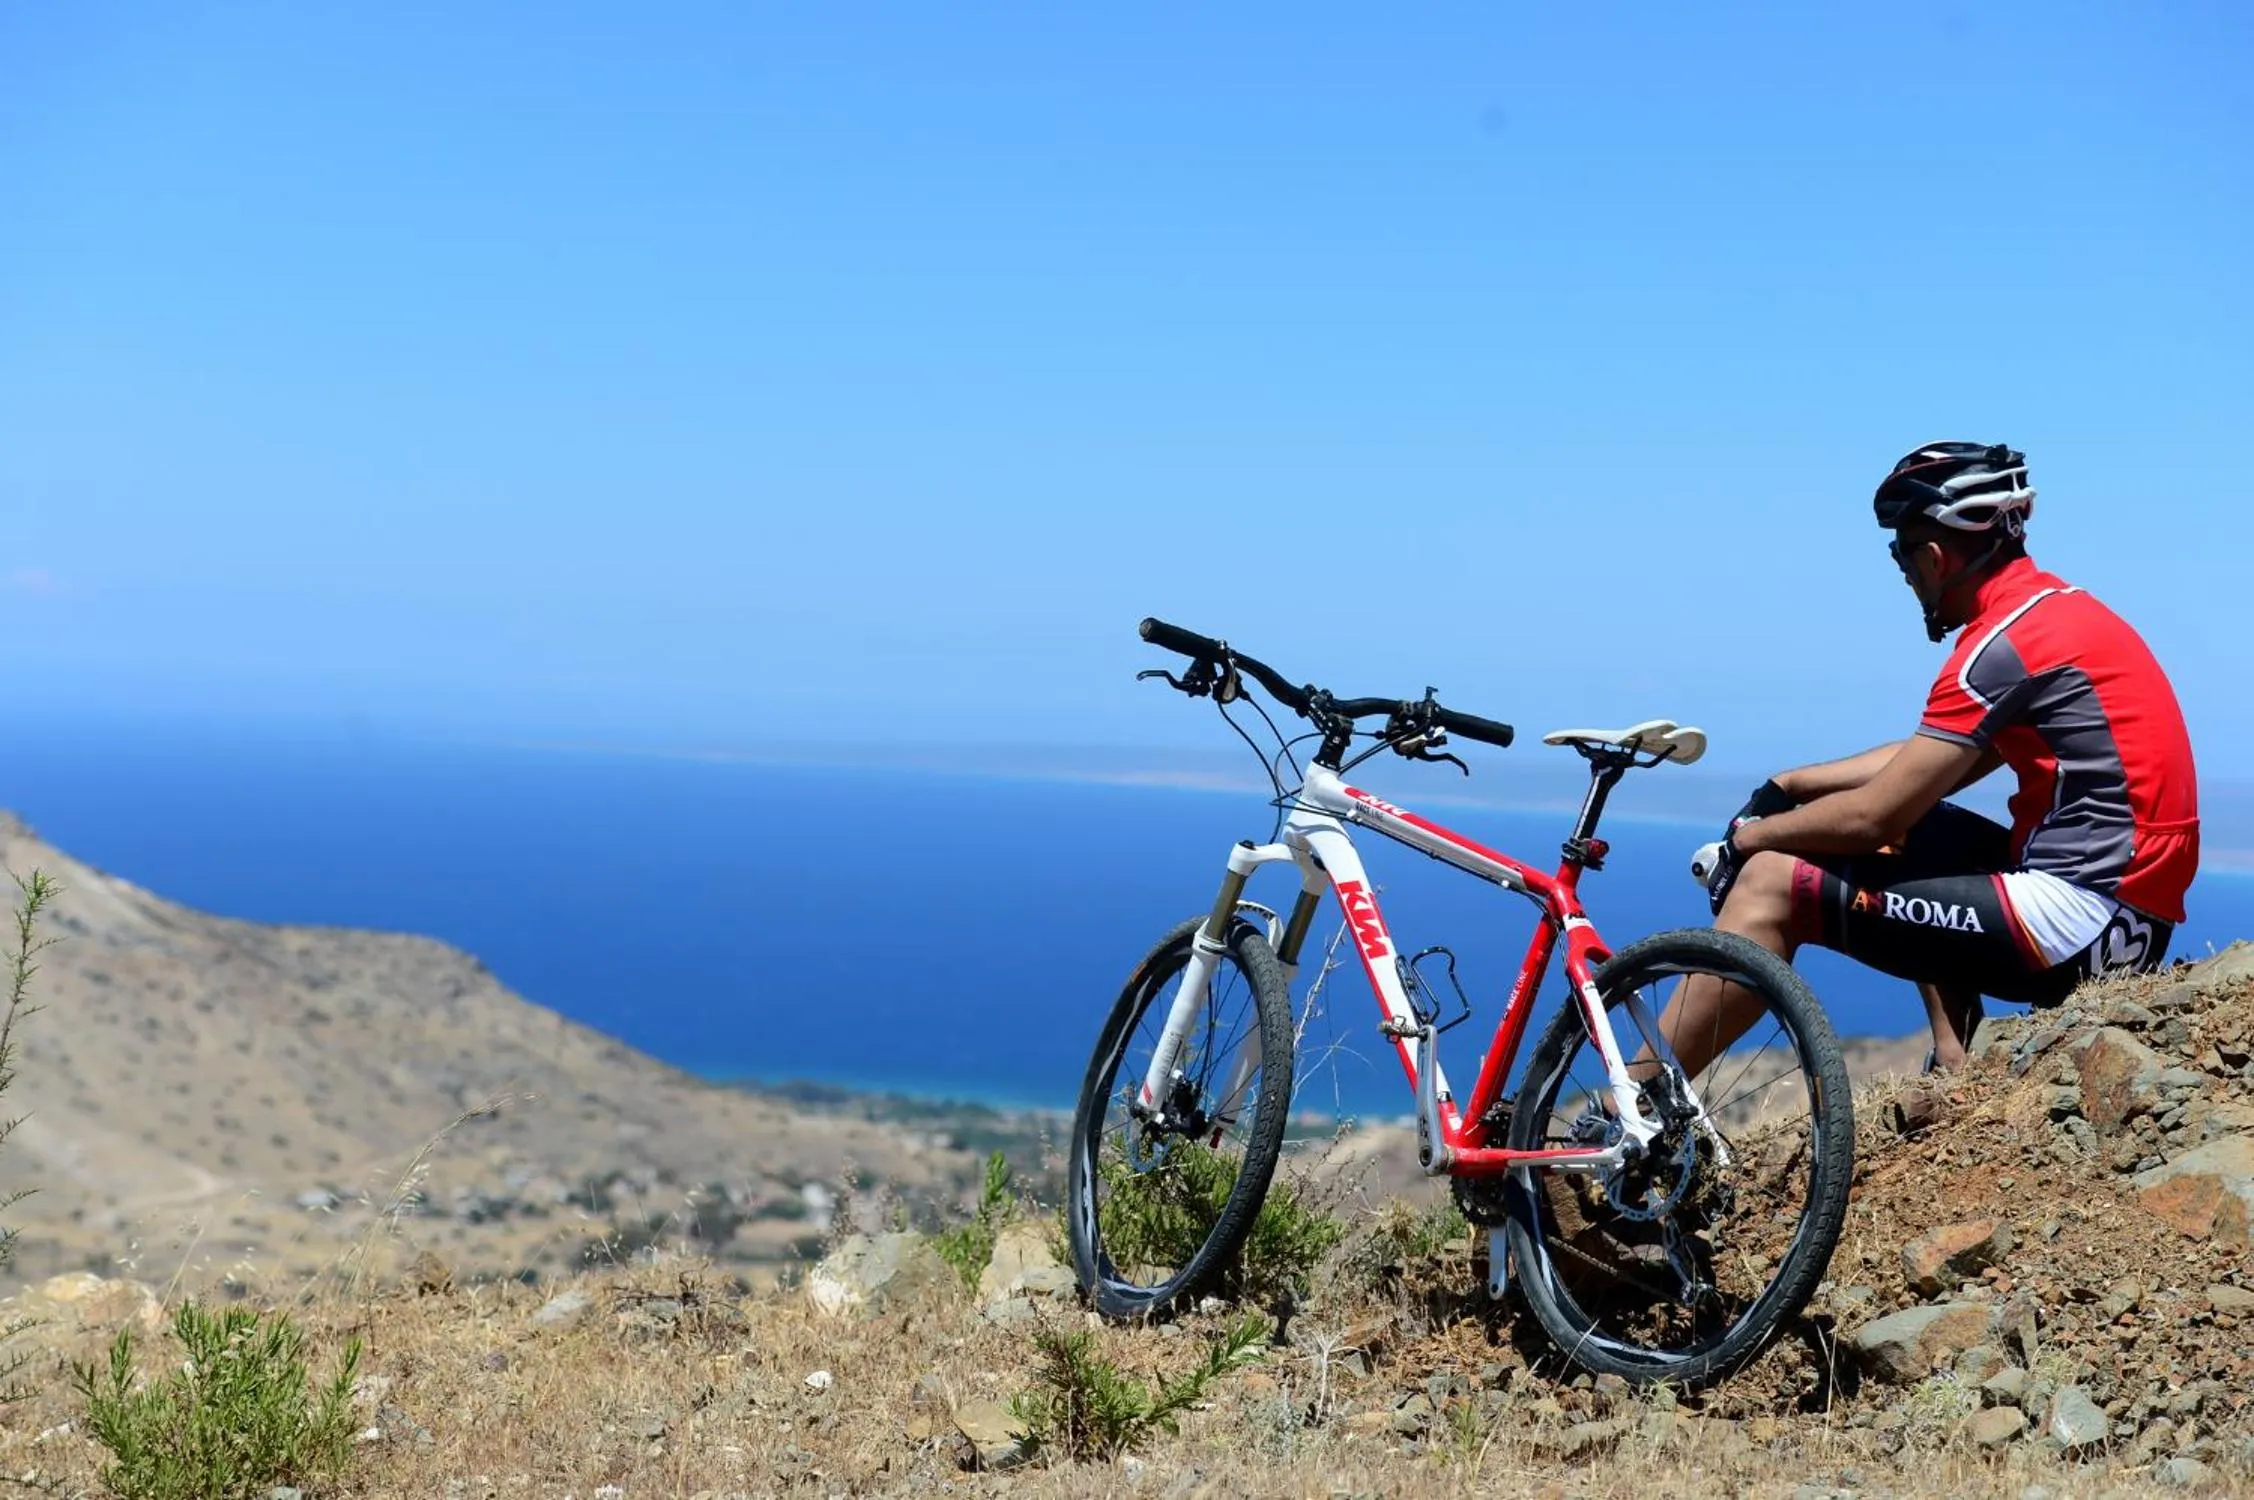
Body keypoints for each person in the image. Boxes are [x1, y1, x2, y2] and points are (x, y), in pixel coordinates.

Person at [1663, 441, 2200, 1077]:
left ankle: (1625, 1117)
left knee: (1772, 884)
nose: (1904, 573)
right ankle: (1955, 1058)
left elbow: (1873, 817)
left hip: (2082, 923)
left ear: (1936, 556)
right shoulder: (2056, 616)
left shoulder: (2001, 647)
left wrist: (1750, 841)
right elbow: (1923, 766)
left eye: (1902, 555)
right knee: (1911, 826)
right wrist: (1791, 784)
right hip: (2129, 921)